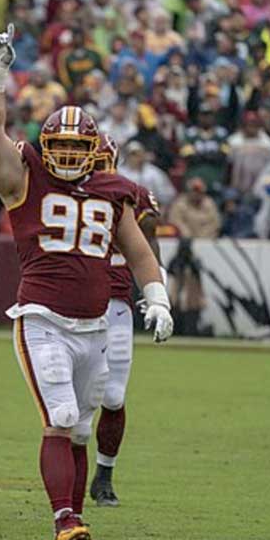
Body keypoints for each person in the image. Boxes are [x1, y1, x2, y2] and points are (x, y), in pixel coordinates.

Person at [0, 27, 173, 540]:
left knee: (83, 429)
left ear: (94, 150)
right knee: (61, 418)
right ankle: (65, 520)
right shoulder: (25, 180)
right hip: (42, 318)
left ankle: (78, 517)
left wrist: (156, 296)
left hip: (95, 326)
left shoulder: (112, 190)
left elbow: (136, 250)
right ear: (44, 148)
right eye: (58, 145)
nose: (65, 154)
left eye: (75, 146)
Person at [89, 134, 163, 508]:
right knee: (75, 400)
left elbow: (148, 242)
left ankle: (104, 474)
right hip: (75, 300)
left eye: (101, 161)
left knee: (114, 395)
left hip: (116, 300)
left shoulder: (131, 192)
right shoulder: (66, 191)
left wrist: (156, 292)